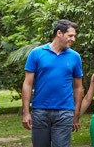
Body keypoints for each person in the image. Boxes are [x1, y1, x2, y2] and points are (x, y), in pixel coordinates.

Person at [22, 19, 84, 147]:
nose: (73, 39)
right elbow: (27, 84)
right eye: (70, 36)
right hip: (40, 111)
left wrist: (76, 113)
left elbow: (78, 87)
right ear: (59, 33)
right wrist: (26, 112)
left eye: (74, 36)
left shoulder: (75, 57)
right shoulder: (36, 53)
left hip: (65, 111)